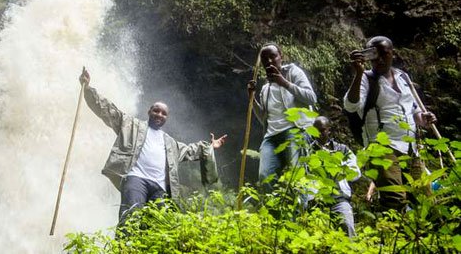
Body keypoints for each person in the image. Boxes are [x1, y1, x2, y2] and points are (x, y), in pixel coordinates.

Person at [79, 68, 227, 225]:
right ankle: (124, 249)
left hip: (160, 186)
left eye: (164, 113)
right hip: (136, 179)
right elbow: (108, 110)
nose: (159, 115)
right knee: (131, 217)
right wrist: (88, 89)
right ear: (149, 112)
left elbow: (191, 150)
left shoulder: (170, 143)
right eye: (156, 111)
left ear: (166, 118)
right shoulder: (130, 125)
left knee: (158, 225)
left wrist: (211, 145)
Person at [344, 36, 437, 211]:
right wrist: (357, 73)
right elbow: (350, 105)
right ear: (367, 56)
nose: (379, 59)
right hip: (383, 148)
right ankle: (394, 236)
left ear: (392, 54)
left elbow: (413, 110)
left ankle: (423, 237)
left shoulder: (403, 77)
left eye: (384, 54)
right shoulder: (365, 78)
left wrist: (424, 119)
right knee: (395, 199)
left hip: (411, 148)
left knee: (425, 198)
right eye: (374, 55)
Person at [249, 43, 317, 191]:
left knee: (296, 175)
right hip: (271, 137)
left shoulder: (294, 72)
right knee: (264, 175)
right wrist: (252, 99)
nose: (269, 61)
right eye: (264, 58)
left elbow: (311, 98)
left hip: (294, 131)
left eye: (273, 56)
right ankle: (276, 212)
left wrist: (284, 83)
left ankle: (300, 212)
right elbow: (264, 119)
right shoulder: (265, 89)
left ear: (281, 56)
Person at [311, 116, 361, 238]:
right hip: (316, 199)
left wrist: (339, 169)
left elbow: (356, 173)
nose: (320, 134)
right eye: (317, 130)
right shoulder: (309, 150)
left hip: (339, 197)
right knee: (316, 234)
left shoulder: (342, 149)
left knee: (347, 226)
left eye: (323, 130)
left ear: (329, 130)